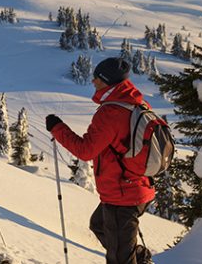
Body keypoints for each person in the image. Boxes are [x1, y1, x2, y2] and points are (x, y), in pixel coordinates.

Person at [46, 57, 155, 264]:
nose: (93, 81)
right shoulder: (138, 104)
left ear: (108, 81)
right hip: (138, 186)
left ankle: (133, 258)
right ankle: (137, 258)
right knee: (99, 224)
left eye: (97, 77)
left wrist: (57, 128)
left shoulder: (111, 113)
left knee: (118, 258)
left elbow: (85, 150)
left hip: (122, 195)